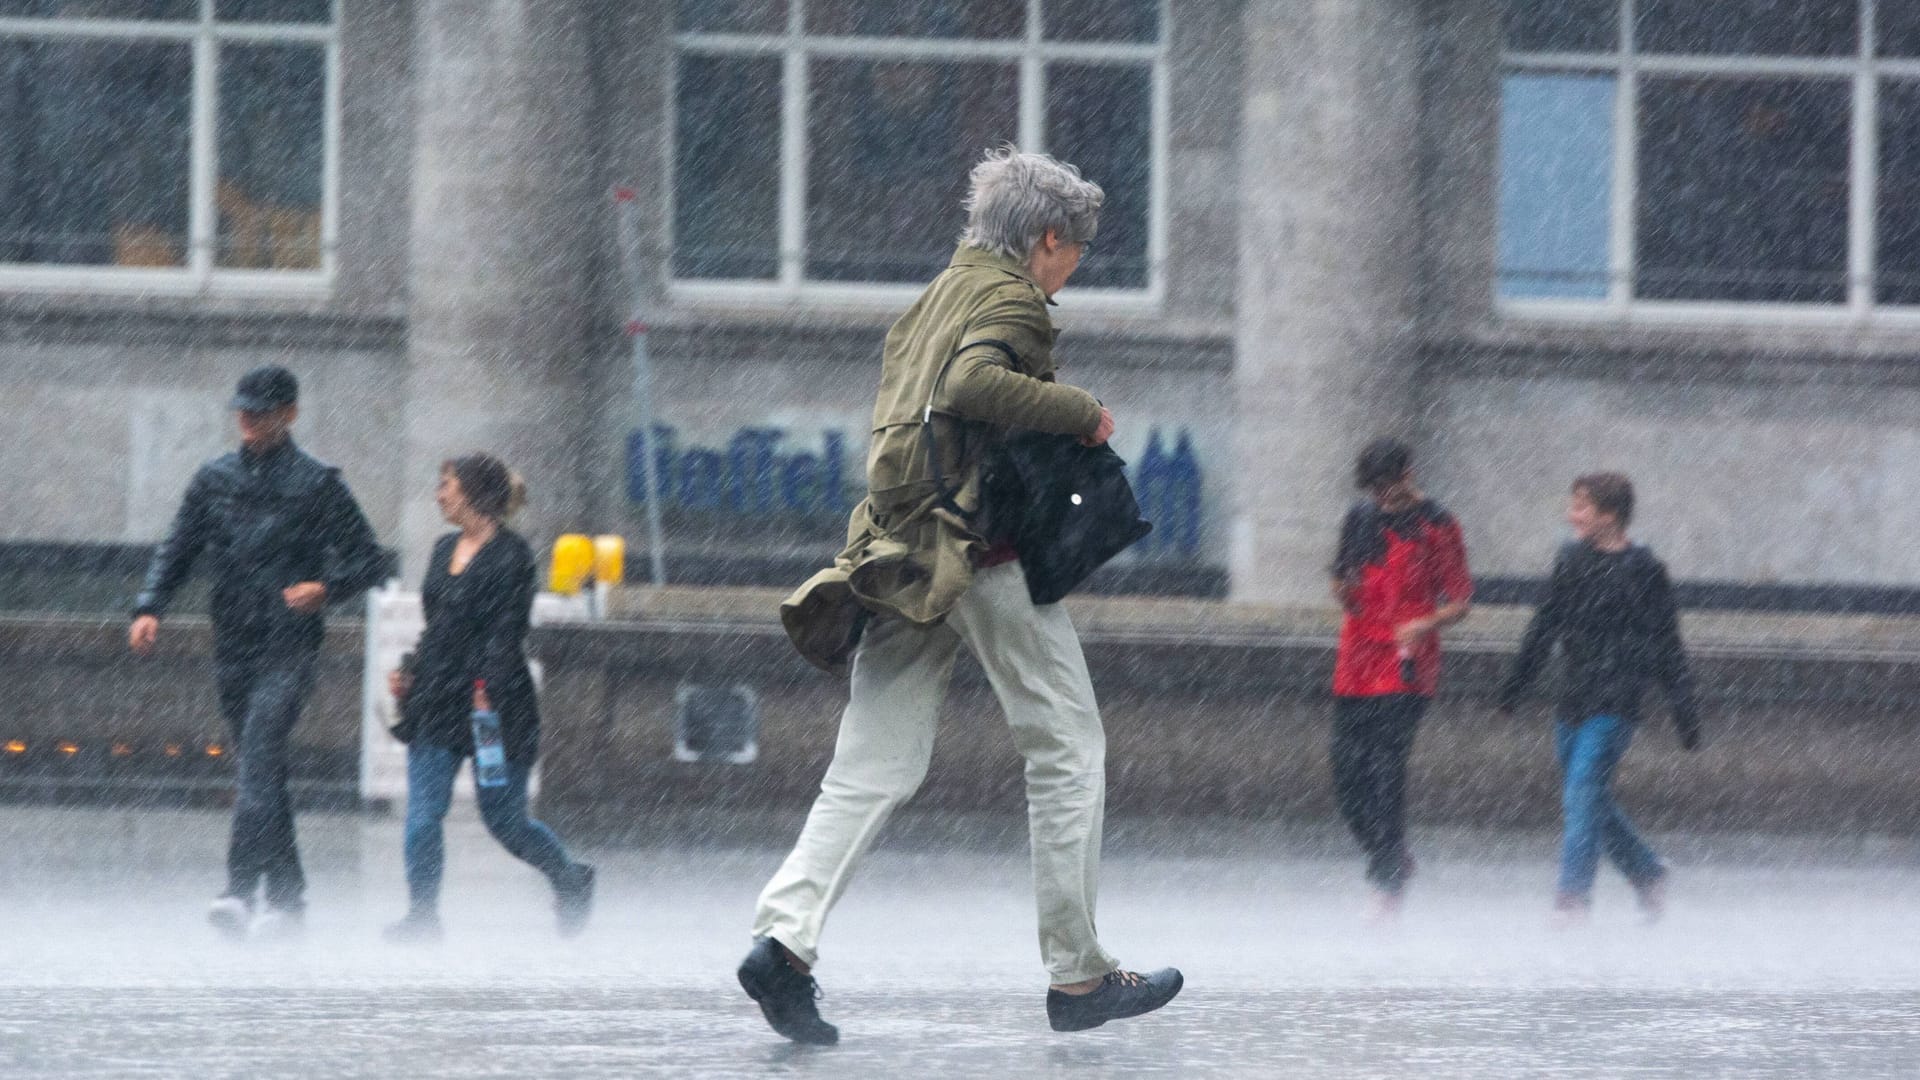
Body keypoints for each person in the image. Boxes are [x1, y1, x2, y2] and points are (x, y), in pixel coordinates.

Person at [741, 146, 1182, 1045]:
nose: (1069, 276)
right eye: (1073, 255)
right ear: (1047, 239)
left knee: (873, 765)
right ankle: (1078, 976)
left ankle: (782, 945)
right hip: (984, 554)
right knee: (1066, 746)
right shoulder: (1012, 297)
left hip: (901, 554)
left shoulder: (936, 293)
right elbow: (972, 386)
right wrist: (1080, 409)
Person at [130, 366, 386, 939]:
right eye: (242, 410)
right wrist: (149, 606)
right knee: (260, 768)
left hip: (288, 644)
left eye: (261, 411)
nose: (248, 420)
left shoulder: (318, 484)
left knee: (259, 756)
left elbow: (369, 558)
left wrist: (327, 588)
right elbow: (179, 545)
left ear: (289, 414)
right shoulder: (213, 478)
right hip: (234, 639)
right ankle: (289, 898)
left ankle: (240, 890)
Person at [383, 454, 595, 943]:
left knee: (505, 821)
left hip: (494, 705)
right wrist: (409, 671)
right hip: (436, 698)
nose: (438, 495)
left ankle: (570, 878)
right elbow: (439, 627)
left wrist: (487, 692)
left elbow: (506, 632)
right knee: (423, 813)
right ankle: (421, 915)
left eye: (446, 486)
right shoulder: (441, 550)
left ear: (474, 493)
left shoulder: (513, 556)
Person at [1497, 472, 1702, 925]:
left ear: (1610, 516)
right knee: (1587, 799)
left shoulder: (1645, 571)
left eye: (1581, 507)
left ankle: (1572, 898)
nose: (1572, 515)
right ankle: (1648, 874)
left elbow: (1668, 643)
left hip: (1617, 701)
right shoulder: (1570, 560)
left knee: (1583, 790)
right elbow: (1544, 626)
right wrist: (1516, 685)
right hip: (1573, 696)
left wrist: (1684, 711)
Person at [1328, 438, 1473, 921]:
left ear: (1408, 475)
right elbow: (1342, 580)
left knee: (1386, 770)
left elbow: (1460, 599)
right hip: (1356, 658)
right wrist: (1343, 590)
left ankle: (1387, 879)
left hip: (1407, 661)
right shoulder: (1360, 518)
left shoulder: (1437, 525)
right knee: (1346, 776)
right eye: (1375, 490)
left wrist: (1424, 623)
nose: (1382, 498)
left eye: (1388, 487)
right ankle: (1391, 856)